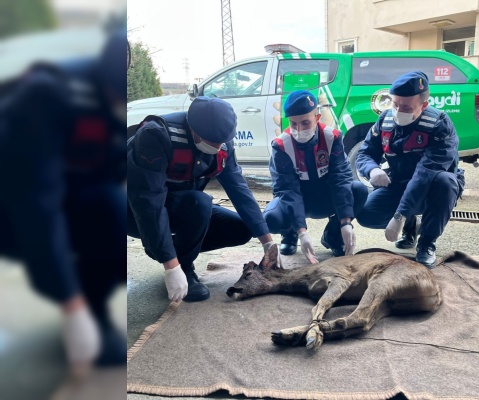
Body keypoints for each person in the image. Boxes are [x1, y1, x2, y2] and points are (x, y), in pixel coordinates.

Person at [0, 29, 128, 369]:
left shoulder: (117, 109)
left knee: (115, 220)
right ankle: (74, 304)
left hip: (69, 190)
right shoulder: (48, 94)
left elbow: (108, 178)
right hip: (12, 198)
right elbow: (34, 200)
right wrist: (71, 305)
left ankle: (94, 310)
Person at [127, 96, 277, 302]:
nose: (216, 147)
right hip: (135, 212)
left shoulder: (223, 142)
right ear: (192, 128)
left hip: (183, 206)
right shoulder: (156, 135)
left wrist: (268, 243)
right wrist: (171, 265)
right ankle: (183, 266)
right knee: (200, 202)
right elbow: (148, 203)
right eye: (210, 141)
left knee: (241, 228)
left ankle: (170, 250)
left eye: (221, 142)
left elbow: (239, 189)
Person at [356, 71, 465, 268]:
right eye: (395, 104)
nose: (398, 110)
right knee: (366, 214)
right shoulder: (385, 120)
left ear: (424, 105)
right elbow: (365, 153)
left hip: (431, 186)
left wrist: (399, 214)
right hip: (400, 182)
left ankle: (426, 244)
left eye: (405, 107)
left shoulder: (439, 125)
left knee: (446, 183)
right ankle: (410, 225)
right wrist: (372, 169)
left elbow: (424, 174)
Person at [264, 90, 368, 262]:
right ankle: (289, 234)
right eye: (293, 123)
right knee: (271, 218)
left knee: (358, 190)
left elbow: (340, 178)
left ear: (317, 118)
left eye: (305, 123)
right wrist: (301, 231)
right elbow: (287, 189)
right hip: (298, 199)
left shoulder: (332, 137)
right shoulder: (281, 145)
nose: (299, 129)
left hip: (325, 197)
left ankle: (333, 235)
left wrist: (345, 221)